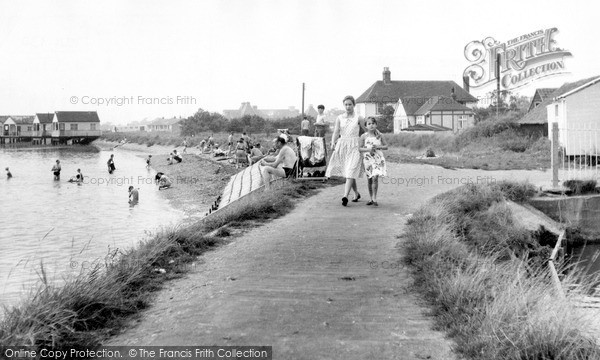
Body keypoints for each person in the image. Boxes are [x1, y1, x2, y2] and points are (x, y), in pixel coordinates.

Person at [325, 95, 371, 206]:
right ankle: (356, 193)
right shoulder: (340, 118)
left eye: (350, 104)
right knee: (348, 171)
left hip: (355, 145)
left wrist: (372, 140)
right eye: (346, 104)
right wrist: (332, 142)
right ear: (343, 105)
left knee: (351, 169)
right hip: (342, 144)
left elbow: (366, 130)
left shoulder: (359, 118)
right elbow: (336, 131)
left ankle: (345, 196)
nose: (348, 106)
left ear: (354, 105)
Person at [359, 117, 388, 206]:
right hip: (368, 159)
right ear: (366, 126)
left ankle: (374, 198)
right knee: (370, 179)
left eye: (373, 123)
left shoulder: (380, 135)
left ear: (376, 125)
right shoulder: (364, 136)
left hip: (377, 159)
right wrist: (368, 148)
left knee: (375, 177)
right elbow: (359, 148)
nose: (371, 125)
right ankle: (371, 198)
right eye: (369, 124)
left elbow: (386, 146)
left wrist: (378, 147)